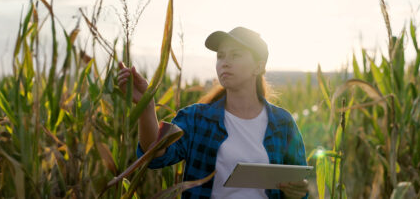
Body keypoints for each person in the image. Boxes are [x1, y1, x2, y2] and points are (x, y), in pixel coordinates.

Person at [117, 27, 309, 199]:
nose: (224, 63)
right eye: (220, 56)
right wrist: (146, 105)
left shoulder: (283, 123)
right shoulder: (196, 118)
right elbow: (156, 156)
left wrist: (298, 192)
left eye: (235, 55)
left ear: (258, 67)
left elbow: (301, 185)